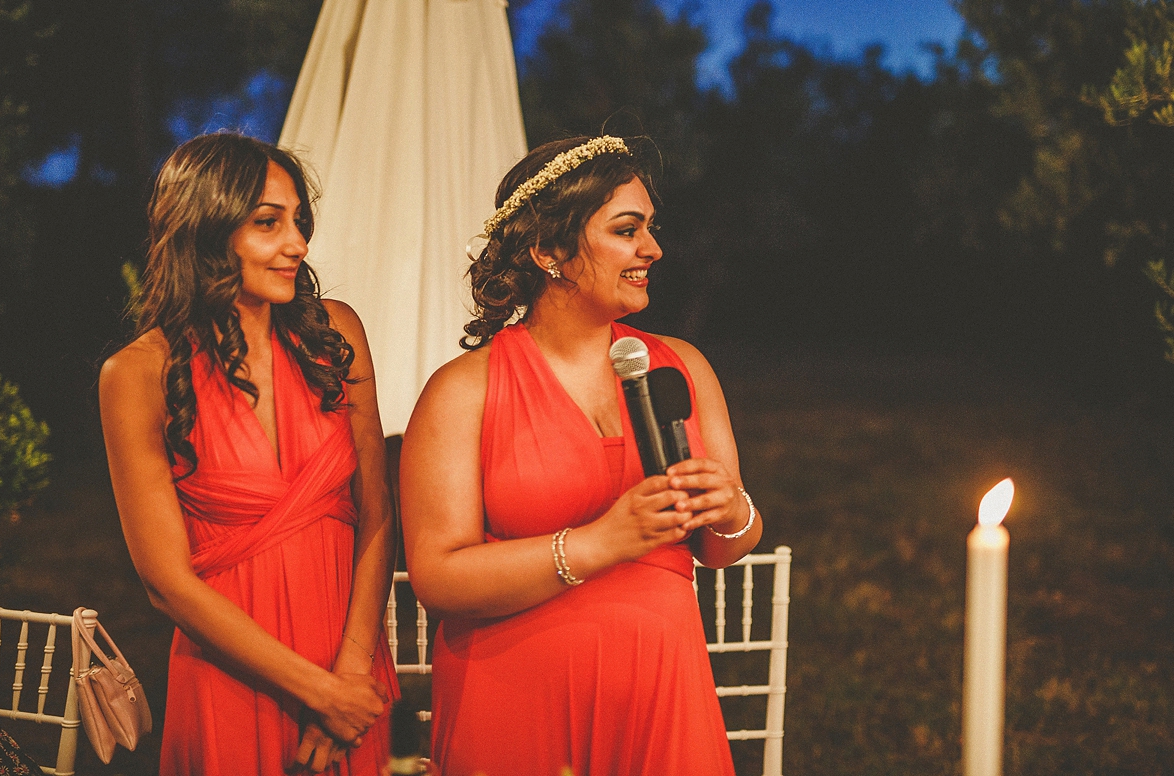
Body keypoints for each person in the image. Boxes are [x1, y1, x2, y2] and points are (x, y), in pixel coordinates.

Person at [399, 136, 763, 776]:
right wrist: (601, 542)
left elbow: (724, 545)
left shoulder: (683, 365)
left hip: (663, 695)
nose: (652, 249)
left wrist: (731, 507)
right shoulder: (464, 390)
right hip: (515, 700)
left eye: (651, 229)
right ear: (548, 252)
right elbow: (437, 577)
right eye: (628, 230)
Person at [99, 133, 399, 775]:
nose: (298, 243)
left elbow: (377, 509)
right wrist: (319, 693)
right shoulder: (136, 374)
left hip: (350, 671)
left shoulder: (335, 334)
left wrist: (351, 672)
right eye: (269, 223)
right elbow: (166, 584)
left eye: (299, 222)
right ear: (205, 231)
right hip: (231, 676)